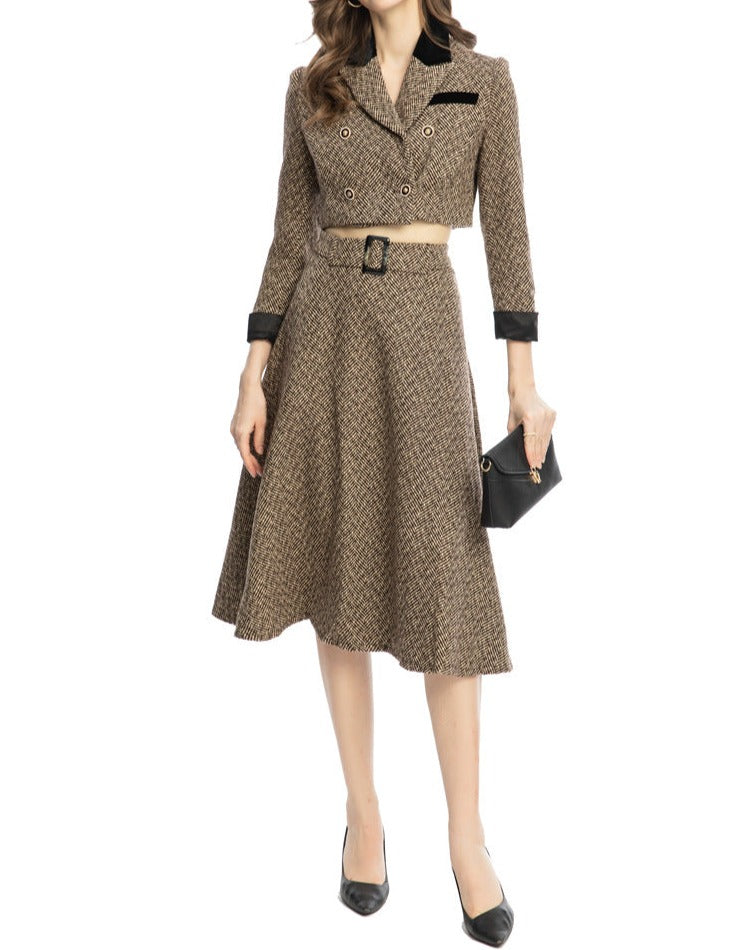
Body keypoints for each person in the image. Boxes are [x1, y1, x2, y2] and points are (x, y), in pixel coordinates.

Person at [211, 0, 556, 943]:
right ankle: (362, 815)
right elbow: (288, 233)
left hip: (422, 326)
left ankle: (465, 836)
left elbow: (510, 239)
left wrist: (523, 385)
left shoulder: (482, 81)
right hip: (320, 328)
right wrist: (251, 372)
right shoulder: (312, 85)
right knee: (338, 563)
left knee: (445, 579)